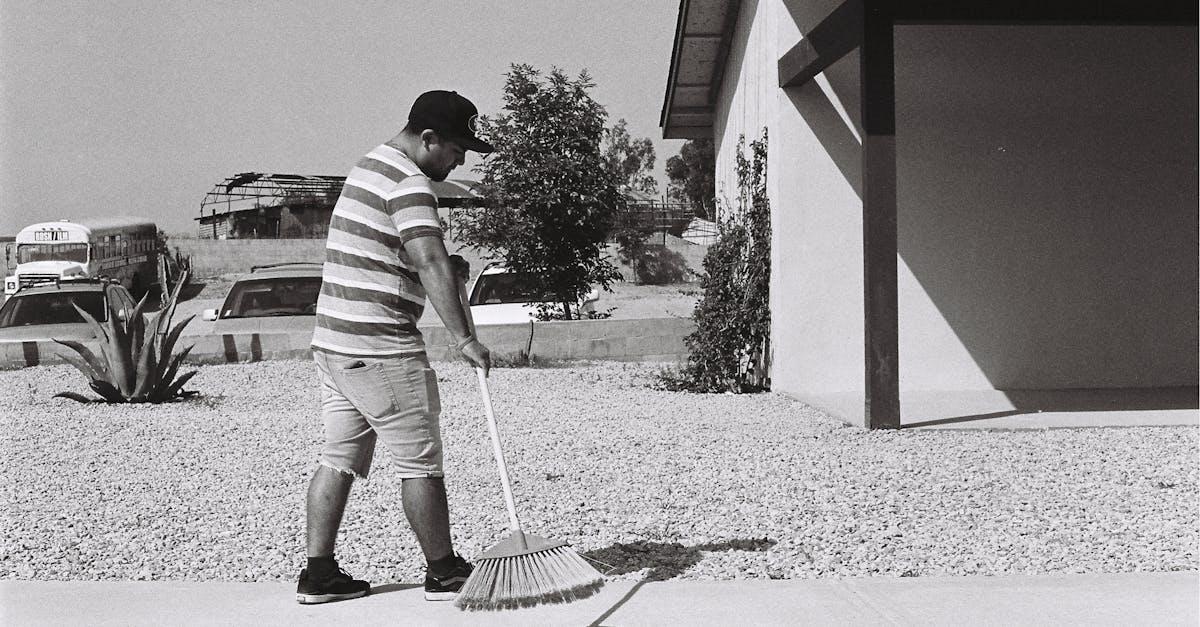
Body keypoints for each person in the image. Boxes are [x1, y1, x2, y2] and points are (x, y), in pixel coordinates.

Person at [296, 90, 494, 605]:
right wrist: (465, 338)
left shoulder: (368, 166)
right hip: (381, 345)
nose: (461, 159)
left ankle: (317, 574)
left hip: (334, 343)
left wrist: (445, 270)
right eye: (456, 148)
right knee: (420, 462)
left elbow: (398, 255)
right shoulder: (410, 184)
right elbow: (428, 261)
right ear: (427, 138)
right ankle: (445, 571)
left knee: (338, 456)